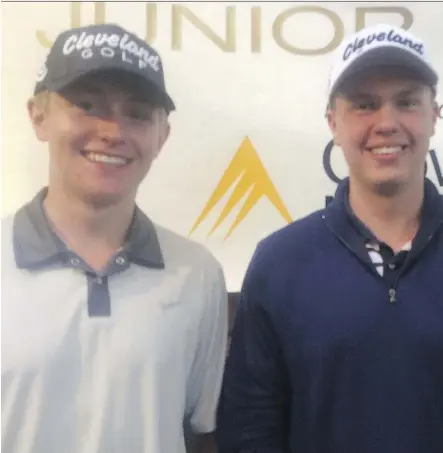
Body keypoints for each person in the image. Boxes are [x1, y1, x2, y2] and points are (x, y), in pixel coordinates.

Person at [1, 23, 228, 453]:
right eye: (87, 105)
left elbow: (201, 433)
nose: (112, 131)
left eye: (138, 113)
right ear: (38, 115)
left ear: (162, 135)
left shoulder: (197, 276)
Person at [216, 23, 443, 453]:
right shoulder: (280, 263)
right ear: (333, 123)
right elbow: (250, 430)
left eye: (407, 102)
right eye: (364, 105)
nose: (387, 123)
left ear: (434, 115)